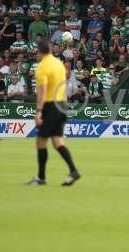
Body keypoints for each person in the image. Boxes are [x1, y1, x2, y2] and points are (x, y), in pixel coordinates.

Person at [28, 40, 80, 186]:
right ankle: (73, 171)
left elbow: (42, 92)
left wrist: (38, 112)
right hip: (62, 104)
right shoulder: (59, 64)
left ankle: (41, 178)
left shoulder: (42, 67)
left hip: (50, 106)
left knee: (41, 141)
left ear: (39, 52)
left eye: (36, 53)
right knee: (57, 141)